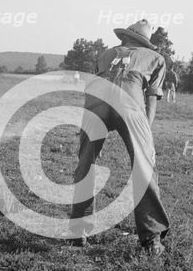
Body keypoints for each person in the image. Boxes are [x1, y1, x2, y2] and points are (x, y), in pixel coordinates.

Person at [69, 19, 170, 255]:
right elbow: (152, 97)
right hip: (129, 104)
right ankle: (151, 239)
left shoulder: (105, 54)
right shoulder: (156, 58)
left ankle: (78, 232)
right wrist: (146, 131)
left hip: (96, 104)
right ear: (145, 42)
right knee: (143, 166)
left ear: (125, 38)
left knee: (86, 164)